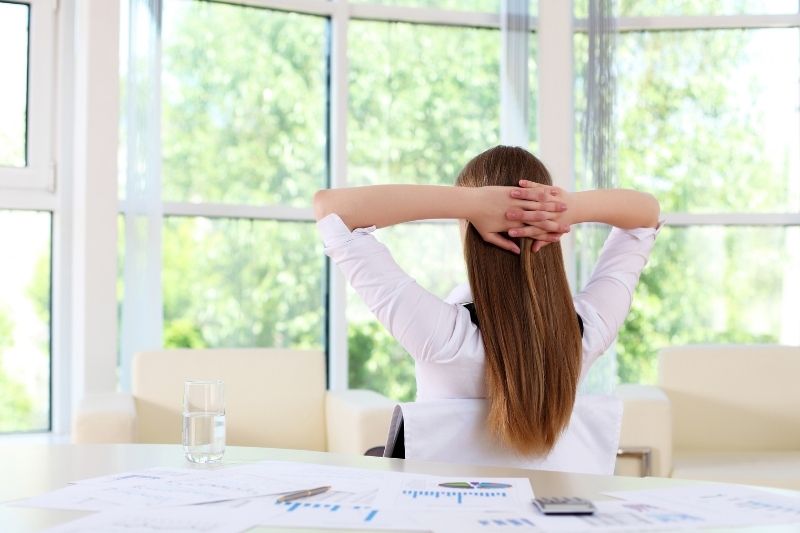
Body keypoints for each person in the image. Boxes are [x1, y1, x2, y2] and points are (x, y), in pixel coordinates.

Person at [314, 145, 661, 457]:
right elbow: (645, 217)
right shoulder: (587, 329)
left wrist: (468, 203)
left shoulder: (445, 337)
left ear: (469, 227)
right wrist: (569, 206)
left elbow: (331, 210)